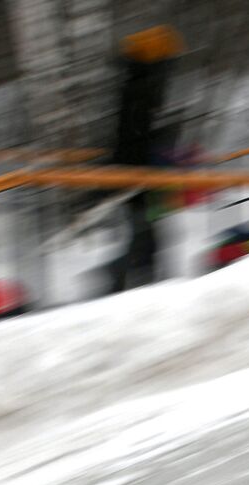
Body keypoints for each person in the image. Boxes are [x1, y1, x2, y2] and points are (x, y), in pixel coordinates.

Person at [106, 25, 183, 293]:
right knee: (145, 233)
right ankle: (133, 282)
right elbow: (137, 135)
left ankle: (140, 282)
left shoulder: (137, 85)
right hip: (139, 174)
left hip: (141, 173)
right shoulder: (143, 89)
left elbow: (136, 134)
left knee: (146, 232)